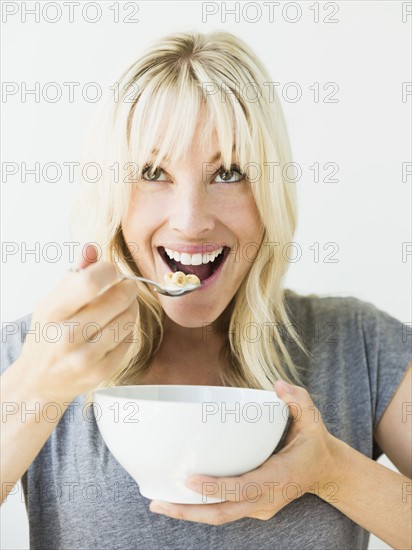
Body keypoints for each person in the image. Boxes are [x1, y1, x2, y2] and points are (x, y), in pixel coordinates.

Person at [1, 30, 411, 550]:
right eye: (153, 172)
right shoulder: (27, 355)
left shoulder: (360, 345)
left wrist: (333, 473)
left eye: (230, 172)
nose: (191, 222)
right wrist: (35, 388)